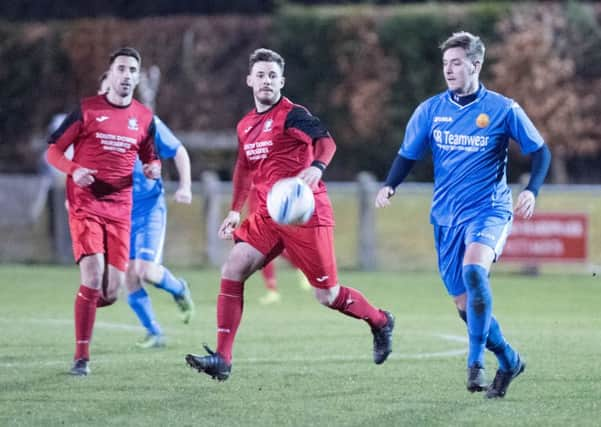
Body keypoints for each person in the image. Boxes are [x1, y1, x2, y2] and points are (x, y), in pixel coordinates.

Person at [185, 48, 395, 381]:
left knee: (327, 295)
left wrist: (316, 166)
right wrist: (233, 211)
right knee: (233, 267)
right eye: (261, 74)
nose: (266, 80)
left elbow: (326, 143)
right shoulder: (245, 126)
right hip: (268, 216)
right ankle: (222, 359)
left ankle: (381, 321)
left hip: (305, 216)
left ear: (281, 81)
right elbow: (243, 168)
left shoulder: (293, 114)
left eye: (273, 75)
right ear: (249, 80)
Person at [375, 31, 551, 399]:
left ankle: (475, 363)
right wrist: (390, 185)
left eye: (457, 63)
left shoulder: (503, 109)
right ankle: (509, 358)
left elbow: (540, 152)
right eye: (445, 64)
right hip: (445, 218)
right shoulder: (431, 111)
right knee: (464, 307)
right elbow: (408, 154)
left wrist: (531, 190)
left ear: (476, 64)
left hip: (490, 210)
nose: (449, 70)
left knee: (475, 270)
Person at [46, 47, 161, 376]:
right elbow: (53, 151)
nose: (126, 75)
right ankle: (81, 358)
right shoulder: (86, 110)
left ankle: (83, 304)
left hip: (121, 209)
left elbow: (150, 155)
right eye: (121, 69)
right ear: (110, 75)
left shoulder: (144, 117)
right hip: (86, 205)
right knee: (93, 275)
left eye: (132, 70)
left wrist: (152, 167)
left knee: (110, 291)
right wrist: (73, 169)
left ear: (138, 78)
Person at [98, 72, 196, 349]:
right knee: (129, 277)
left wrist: (185, 186)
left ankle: (179, 288)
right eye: (105, 91)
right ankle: (155, 332)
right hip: (117, 214)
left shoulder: (143, 121)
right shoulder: (94, 129)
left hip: (148, 209)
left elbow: (178, 151)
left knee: (146, 271)